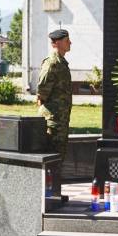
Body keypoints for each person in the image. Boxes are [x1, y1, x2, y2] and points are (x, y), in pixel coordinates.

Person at [35, 28, 73, 193]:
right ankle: (48, 194)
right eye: (67, 40)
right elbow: (42, 91)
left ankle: (55, 192)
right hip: (52, 120)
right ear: (57, 43)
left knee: (59, 157)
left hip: (61, 119)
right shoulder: (52, 63)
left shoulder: (62, 62)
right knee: (52, 158)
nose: (70, 43)